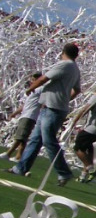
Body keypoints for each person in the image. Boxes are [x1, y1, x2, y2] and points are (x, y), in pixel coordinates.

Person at [7, 43, 82, 185]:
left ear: (63, 52)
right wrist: (66, 98)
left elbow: (43, 79)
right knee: (36, 139)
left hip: (52, 108)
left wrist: (30, 89)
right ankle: (20, 168)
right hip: (53, 107)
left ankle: (64, 172)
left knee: (49, 141)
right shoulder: (75, 69)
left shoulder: (64, 65)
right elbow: (77, 90)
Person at [2, 71, 42, 161]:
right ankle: (18, 156)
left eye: (33, 79)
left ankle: (8, 153)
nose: (31, 81)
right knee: (23, 137)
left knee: (20, 136)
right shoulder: (33, 91)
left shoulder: (40, 90)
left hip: (30, 116)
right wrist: (14, 113)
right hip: (26, 115)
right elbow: (25, 105)